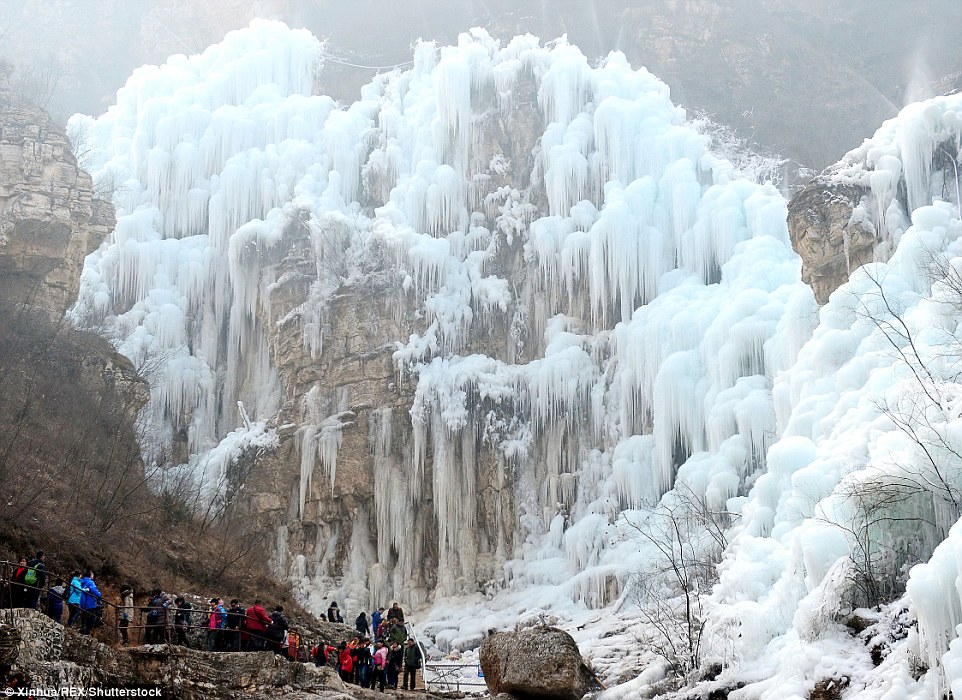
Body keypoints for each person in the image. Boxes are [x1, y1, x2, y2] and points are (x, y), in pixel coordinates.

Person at [78, 570, 102, 634]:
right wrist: (100, 595)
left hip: (82, 602)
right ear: (90, 575)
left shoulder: (80, 581)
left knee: (84, 616)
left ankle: (83, 629)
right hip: (89, 602)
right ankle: (87, 631)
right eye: (92, 575)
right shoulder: (90, 582)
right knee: (92, 617)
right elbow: (95, 591)